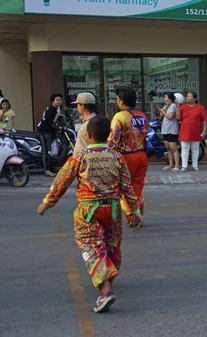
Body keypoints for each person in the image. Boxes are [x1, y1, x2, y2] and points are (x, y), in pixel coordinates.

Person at [37, 116, 143, 313]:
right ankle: (109, 274)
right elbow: (127, 186)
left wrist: (46, 203)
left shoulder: (79, 157)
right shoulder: (117, 157)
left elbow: (62, 182)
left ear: (88, 135)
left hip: (88, 210)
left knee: (90, 246)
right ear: (109, 135)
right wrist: (135, 211)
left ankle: (104, 290)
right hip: (112, 208)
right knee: (112, 245)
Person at [108, 87, 149, 229]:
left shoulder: (120, 117)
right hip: (142, 155)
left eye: (117, 99)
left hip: (126, 157)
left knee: (123, 189)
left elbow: (113, 140)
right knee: (137, 187)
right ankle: (139, 213)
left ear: (121, 101)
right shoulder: (142, 115)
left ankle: (132, 216)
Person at [176, 91, 207, 172]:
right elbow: (178, 118)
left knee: (195, 149)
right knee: (185, 149)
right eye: (187, 96)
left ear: (194, 98)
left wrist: (204, 131)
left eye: (189, 96)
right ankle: (184, 166)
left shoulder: (200, 108)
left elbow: (204, 120)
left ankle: (195, 166)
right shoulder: (182, 107)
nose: (187, 98)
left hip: (196, 131)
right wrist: (177, 107)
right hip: (184, 131)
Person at [37, 94, 65, 177]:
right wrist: (58, 115)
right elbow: (51, 123)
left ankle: (52, 166)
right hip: (45, 131)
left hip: (51, 131)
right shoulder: (50, 109)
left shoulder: (57, 108)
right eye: (57, 100)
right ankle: (47, 170)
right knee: (47, 150)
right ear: (53, 101)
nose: (59, 101)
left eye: (60, 100)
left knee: (53, 149)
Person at [158, 93, 180, 172]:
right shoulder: (166, 106)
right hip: (165, 130)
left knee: (173, 148)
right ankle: (170, 164)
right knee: (168, 148)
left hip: (172, 130)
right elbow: (161, 116)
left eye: (165, 97)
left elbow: (170, 117)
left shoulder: (173, 106)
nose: (164, 98)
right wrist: (163, 109)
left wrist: (163, 112)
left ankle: (177, 165)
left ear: (170, 99)